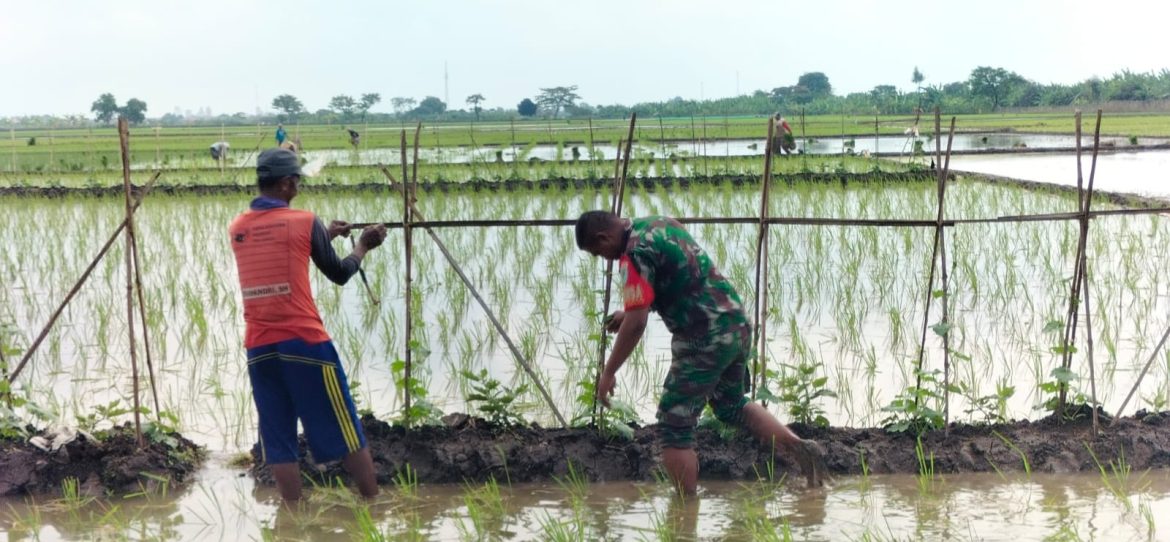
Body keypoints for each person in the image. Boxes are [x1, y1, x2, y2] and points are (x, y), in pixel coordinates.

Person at [575, 211, 826, 495]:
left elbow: (637, 325)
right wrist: (631, 310)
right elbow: (679, 274)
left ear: (603, 238)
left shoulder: (633, 254)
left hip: (704, 337)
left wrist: (608, 372)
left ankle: (685, 509)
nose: (604, 259)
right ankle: (801, 448)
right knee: (730, 404)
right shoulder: (659, 224)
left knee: (674, 424)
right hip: (735, 324)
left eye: (599, 253)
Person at [229, 148, 388, 503]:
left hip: (259, 347)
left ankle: (293, 517)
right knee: (346, 428)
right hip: (305, 342)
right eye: (297, 182)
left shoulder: (238, 227)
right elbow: (340, 273)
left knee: (278, 436)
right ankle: (374, 505)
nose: (299, 187)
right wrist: (363, 246)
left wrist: (324, 235)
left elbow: (284, 250)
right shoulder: (304, 220)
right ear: (287, 183)